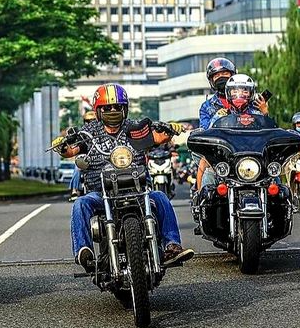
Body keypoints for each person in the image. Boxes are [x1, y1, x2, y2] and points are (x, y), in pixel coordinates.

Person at [51, 83, 194, 272]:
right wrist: (61, 146)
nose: (113, 111)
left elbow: (157, 137)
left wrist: (170, 130)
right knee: (81, 203)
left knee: (160, 197)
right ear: (98, 110)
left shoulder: (135, 129)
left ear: (124, 108)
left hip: (138, 190)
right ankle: (83, 250)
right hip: (101, 193)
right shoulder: (88, 133)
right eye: (107, 108)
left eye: (117, 107)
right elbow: (71, 151)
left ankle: (172, 246)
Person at [195, 74, 270, 190]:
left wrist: (265, 113)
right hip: (227, 155)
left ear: (251, 93)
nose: (239, 94)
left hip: (254, 154)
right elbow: (208, 132)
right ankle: (201, 196)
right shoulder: (221, 113)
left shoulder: (257, 112)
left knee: (273, 172)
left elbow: (269, 132)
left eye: (245, 91)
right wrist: (217, 118)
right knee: (206, 165)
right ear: (228, 93)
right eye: (235, 91)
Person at [68, 110, 97, 201]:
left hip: (98, 157)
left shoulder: (102, 131)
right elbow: (75, 146)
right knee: (77, 168)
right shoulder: (81, 133)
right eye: (88, 121)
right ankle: (75, 190)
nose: (91, 123)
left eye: (93, 121)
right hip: (83, 157)